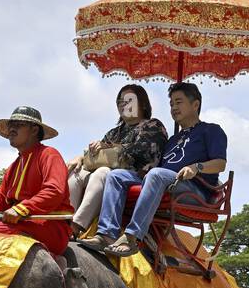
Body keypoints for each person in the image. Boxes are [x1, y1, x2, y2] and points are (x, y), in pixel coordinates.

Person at [88, 81, 228, 257]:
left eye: (178, 102)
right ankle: (106, 234)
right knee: (116, 175)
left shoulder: (211, 130)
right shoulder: (173, 139)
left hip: (192, 188)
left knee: (156, 174)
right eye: (171, 104)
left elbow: (220, 163)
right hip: (163, 180)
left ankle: (132, 237)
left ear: (195, 104)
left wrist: (196, 167)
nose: (173, 107)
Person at [0, 106, 73, 256]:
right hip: (20, 222)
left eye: (18, 125)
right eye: (11, 125)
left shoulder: (49, 154)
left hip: (50, 226)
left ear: (34, 130)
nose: (11, 129)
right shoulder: (13, 167)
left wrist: (21, 209)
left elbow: (54, 191)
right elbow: (0, 205)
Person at [67, 85, 168, 240]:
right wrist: (81, 158)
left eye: (129, 100)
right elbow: (94, 157)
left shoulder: (153, 126)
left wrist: (108, 150)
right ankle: (65, 220)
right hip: (107, 178)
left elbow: (138, 152)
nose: (123, 104)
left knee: (103, 172)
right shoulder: (115, 132)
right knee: (77, 172)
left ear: (143, 104)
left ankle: (76, 226)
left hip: (136, 177)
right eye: (120, 101)